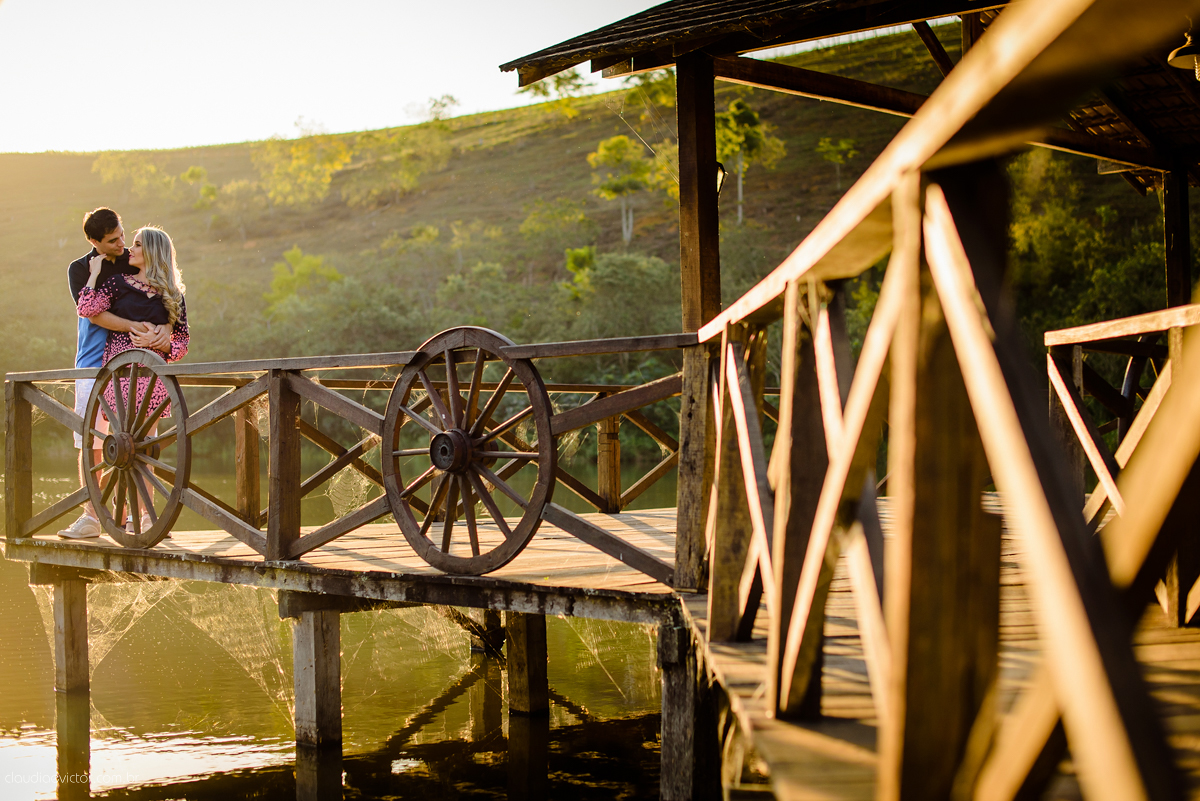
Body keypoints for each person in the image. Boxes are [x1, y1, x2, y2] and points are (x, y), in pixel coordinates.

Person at [58, 209, 174, 539]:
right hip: (93, 362)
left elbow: (161, 295)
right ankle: (92, 516)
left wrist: (166, 328)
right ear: (94, 241)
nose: (122, 243)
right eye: (113, 240)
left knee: (138, 439)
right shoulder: (80, 269)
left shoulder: (131, 261)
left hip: (129, 364)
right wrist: (133, 326)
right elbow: (94, 315)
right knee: (92, 443)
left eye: (123, 235)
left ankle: (139, 516)